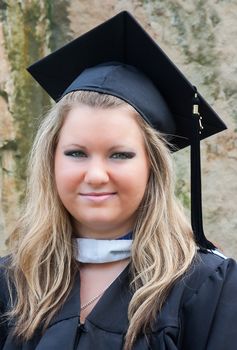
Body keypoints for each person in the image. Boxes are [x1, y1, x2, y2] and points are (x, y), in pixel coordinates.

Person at [0, 11, 237, 350]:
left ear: (152, 166)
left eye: (120, 155)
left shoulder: (207, 287)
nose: (96, 176)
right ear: (50, 160)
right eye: (76, 153)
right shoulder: (11, 282)